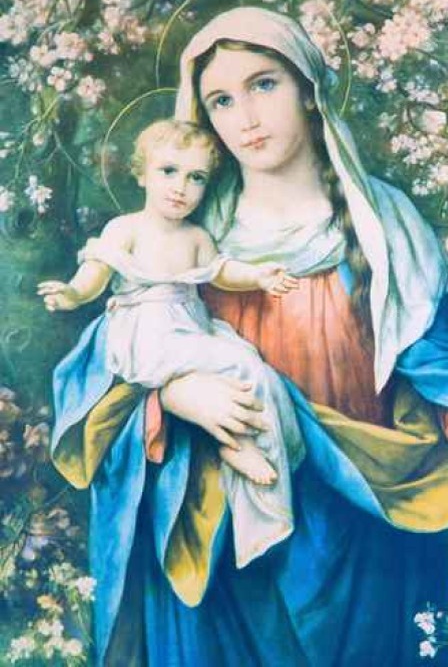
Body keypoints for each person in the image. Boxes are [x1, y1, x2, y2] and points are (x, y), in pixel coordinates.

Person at [48, 7, 448, 667]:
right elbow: (117, 355)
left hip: (361, 506)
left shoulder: (381, 221)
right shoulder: (191, 237)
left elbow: (429, 348)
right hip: (224, 527)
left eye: (263, 84)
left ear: (307, 89)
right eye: (221, 100)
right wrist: (172, 397)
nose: (245, 116)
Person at [40, 118, 305, 569]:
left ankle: (251, 459)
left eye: (195, 177)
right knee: (234, 366)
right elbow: (94, 277)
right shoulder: (125, 229)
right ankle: (236, 445)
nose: (181, 187)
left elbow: (222, 273)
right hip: (147, 333)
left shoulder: (197, 237)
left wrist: (259, 276)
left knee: (253, 369)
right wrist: (71, 294)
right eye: (168, 171)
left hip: (189, 327)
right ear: (142, 174)